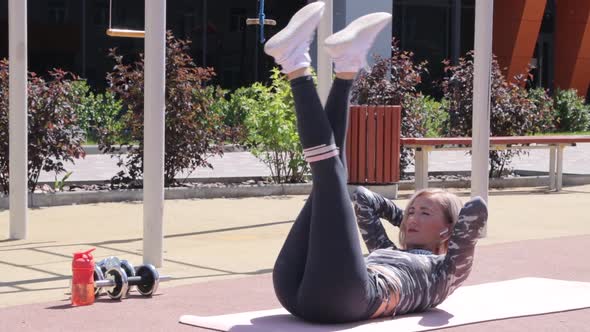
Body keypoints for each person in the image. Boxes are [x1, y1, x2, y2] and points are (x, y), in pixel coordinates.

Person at [265, 2, 488, 324]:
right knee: (329, 180)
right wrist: (409, 217)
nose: (412, 216)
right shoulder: (384, 247)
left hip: (348, 298)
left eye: (424, 213)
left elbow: (474, 210)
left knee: (329, 177)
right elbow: (366, 201)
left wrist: (438, 232)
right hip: (310, 289)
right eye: (412, 210)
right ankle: (344, 67)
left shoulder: (449, 268)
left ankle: (297, 64)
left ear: (448, 229)